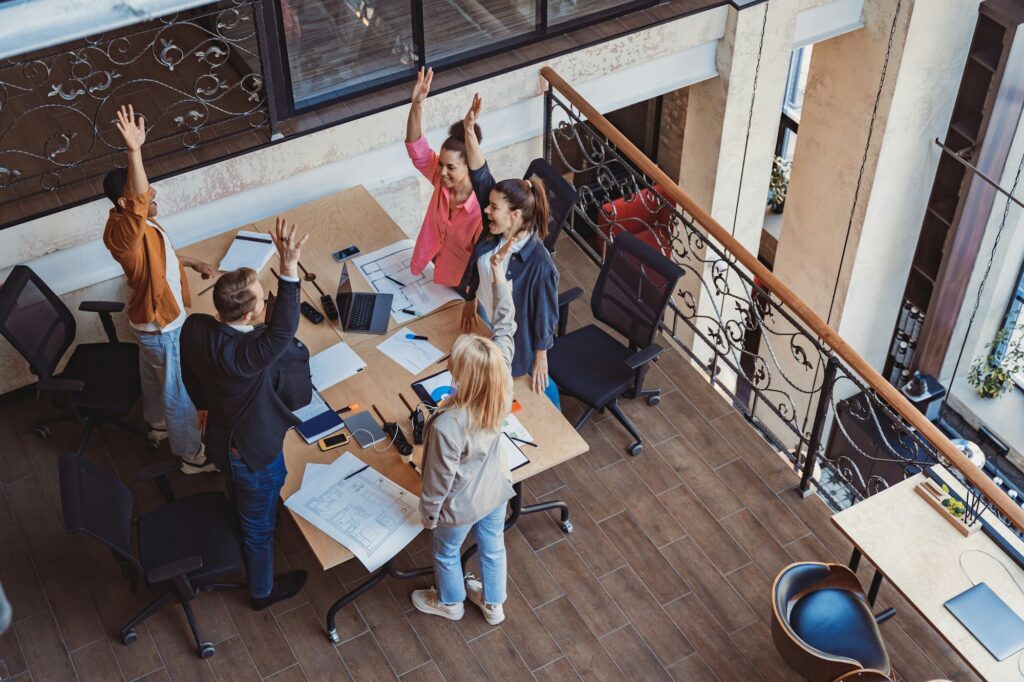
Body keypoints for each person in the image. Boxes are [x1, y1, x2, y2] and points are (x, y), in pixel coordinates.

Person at [179, 218, 310, 610]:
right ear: (252, 316)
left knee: (242, 495)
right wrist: (288, 270)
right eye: (259, 295)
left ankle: (248, 512)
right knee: (258, 529)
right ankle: (261, 592)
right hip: (252, 455)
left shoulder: (196, 328)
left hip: (223, 437)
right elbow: (284, 330)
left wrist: (201, 405)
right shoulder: (248, 355)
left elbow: (189, 371)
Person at [102, 104, 216, 474]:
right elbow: (138, 204)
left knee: (154, 378)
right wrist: (134, 151)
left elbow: (160, 256)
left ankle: (157, 425)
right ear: (126, 203)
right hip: (161, 326)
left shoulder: (139, 227)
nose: (153, 197)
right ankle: (191, 456)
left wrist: (192, 262)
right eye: (147, 195)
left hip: (150, 324)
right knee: (178, 390)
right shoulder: (124, 234)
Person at [412, 239, 518, 626]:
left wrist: (429, 516)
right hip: (496, 489)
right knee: (493, 548)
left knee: (445, 552)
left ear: (462, 377)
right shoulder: (501, 377)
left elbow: (438, 481)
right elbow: (505, 327)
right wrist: (499, 282)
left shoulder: (448, 425)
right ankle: (494, 605)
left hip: (459, 506)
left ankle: (451, 602)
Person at [457, 95, 561, 408]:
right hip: (482, 325)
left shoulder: (539, 263)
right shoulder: (495, 233)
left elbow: (545, 311)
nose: (486, 211)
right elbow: (479, 173)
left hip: (511, 345)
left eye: (493, 208)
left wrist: (541, 355)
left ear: (514, 216)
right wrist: (468, 130)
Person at [405, 66, 484, 287]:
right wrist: (417, 104)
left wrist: (471, 298)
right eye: (440, 164)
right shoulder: (442, 181)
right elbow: (416, 149)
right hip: (429, 269)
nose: (441, 172)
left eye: (450, 167)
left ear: (469, 166)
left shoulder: (482, 208)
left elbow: (482, 261)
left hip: (460, 284)